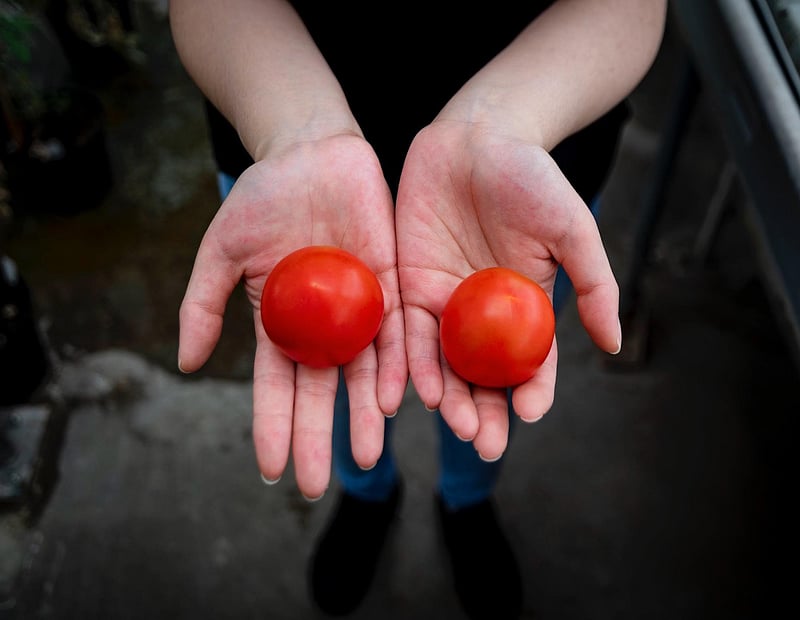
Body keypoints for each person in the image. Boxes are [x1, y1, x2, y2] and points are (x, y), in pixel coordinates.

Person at [168, 1, 667, 617]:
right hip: (289, 168)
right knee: (342, 381)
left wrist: (502, 124)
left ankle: (467, 500)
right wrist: (295, 129)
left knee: (487, 387)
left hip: (518, 183)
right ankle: (367, 493)